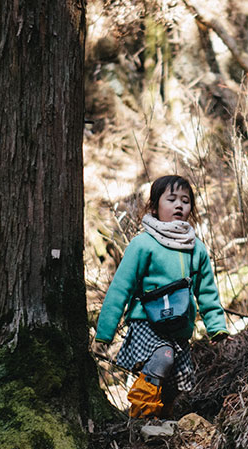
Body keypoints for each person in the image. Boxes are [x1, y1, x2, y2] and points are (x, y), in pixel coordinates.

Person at [94, 175, 229, 418]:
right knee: (162, 357)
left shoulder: (195, 247)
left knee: (173, 384)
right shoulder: (142, 244)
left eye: (185, 201)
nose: (179, 205)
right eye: (172, 199)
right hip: (147, 322)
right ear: (154, 207)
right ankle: (142, 415)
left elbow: (206, 290)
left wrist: (216, 327)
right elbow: (120, 288)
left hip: (178, 328)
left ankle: (161, 422)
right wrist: (104, 333)